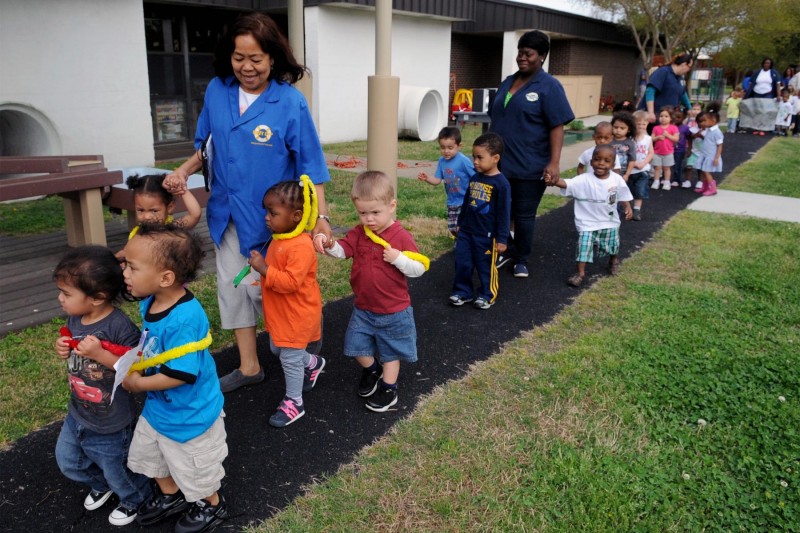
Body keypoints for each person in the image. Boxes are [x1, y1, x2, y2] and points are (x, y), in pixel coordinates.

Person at [163, 12, 333, 394]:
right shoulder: (217, 91)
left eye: (256, 58)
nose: (247, 67)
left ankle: (303, 345)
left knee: (273, 289)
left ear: (273, 58)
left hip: (277, 221)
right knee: (234, 288)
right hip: (226, 211)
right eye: (239, 58)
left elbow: (311, 163)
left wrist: (320, 216)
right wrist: (182, 170)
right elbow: (205, 145)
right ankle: (249, 365)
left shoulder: (289, 102)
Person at [121, 225, 228, 532]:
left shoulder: (183, 319)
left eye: (132, 267)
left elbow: (181, 374)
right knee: (149, 455)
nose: (125, 272)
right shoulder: (151, 300)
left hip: (189, 414)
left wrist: (139, 383)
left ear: (165, 277)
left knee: (195, 467)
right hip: (161, 408)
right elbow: (150, 344)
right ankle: (172, 496)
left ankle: (212, 504)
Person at [53, 246, 150, 527]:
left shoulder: (119, 326)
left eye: (67, 293)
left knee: (118, 470)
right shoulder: (76, 317)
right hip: (79, 412)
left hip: (112, 421)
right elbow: (72, 343)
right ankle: (103, 484)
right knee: (68, 462)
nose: (60, 298)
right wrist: (63, 346)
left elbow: (136, 368)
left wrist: (100, 355)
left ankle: (135, 498)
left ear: (98, 298)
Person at [322, 171, 427, 412]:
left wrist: (399, 258)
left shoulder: (400, 236)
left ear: (392, 206)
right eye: (362, 213)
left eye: (375, 213)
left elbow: (419, 268)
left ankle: (389, 390)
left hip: (393, 311)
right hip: (364, 308)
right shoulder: (360, 233)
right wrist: (330, 246)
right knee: (355, 346)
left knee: (391, 353)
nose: (368, 219)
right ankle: (372, 369)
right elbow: (344, 250)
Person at [489, 29, 575, 279]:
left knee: (524, 214)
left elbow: (557, 125)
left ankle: (521, 258)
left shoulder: (549, 86)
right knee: (500, 210)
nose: (522, 58)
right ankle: (505, 249)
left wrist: (554, 162)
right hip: (498, 163)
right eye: (520, 53)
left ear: (542, 57)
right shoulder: (508, 81)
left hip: (530, 163)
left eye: (528, 53)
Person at [247, 177, 326, 428]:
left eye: (273, 213)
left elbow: (291, 282)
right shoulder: (280, 239)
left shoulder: (301, 246)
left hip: (297, 314)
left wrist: (264, 269)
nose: (267, 218)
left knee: (289, 358)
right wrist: (264, 272)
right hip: (282, 313)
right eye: (267, 212)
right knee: (277, 350)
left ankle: (294, 402)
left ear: (296, 216)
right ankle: (313, 363)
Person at [545, 144, 633, 287]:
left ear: (613, 164)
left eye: (606, 160)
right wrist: (554, 181)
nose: (601, 163)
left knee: (612, 245)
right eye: (597, 159)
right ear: (591, 162)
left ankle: (613, 260)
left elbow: (623, 195)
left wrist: (627, 207)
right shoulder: (584, 179)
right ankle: (580, 273)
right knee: (583, 246)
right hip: (587, 223)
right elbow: (567, 184)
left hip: (609, 221)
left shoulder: (616, 179)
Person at [449, 133, 511, 310]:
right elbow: (467, 202)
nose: (475, 161)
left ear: (495, 158)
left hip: (487, 235)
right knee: (462, 262)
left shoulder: (502, 184)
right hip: (467, 231)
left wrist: (502, 239)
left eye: (479, 157)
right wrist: (460, 222)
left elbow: (504, 213)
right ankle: (462, 292)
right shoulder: (475, 178)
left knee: (485, 266)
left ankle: (487, 294)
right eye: (473, 156)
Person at [417, 126, 475, 237]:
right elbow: (437, 180)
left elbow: (475, 177)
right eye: (442, 147)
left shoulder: (464, 161)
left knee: (462, 226)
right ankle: (460, 239)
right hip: (452, 201)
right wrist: (427, 178)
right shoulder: (441, 161)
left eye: (450, 148)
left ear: (459, 146)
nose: (446, 151)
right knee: (452, 227)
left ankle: (462, 243)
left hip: (466, 200)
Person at [124, 174, 201, 241]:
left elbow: (194, 215)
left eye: (154, 211)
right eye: (141, 210)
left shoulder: (171, 228)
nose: (146, 217)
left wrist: (182, 189)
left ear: (170, 207)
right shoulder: (136, 233)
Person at [638, 53, 693, 125]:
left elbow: (682, 93)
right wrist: (650, 112)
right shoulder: (663, 72)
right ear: (684, 64)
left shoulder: (679, 77)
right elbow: (650, 91)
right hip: (654, 117)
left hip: (667, 118)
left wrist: (689, 108)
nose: (688, 70)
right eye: (689, 67)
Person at [694, 105, 723, 196]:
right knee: (703, 171)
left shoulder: (717, 132)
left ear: (713, 120)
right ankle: (705, 186)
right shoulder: (709, 130)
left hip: (711, 156)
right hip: (705, 154)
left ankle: (712, 188)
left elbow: (720, 146)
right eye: (700, 122)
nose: (701, 123)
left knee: (707, 172)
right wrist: (701, 136)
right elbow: (708, 141)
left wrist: (716, 158)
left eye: (703, 121)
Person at [630, 111, 654, 221]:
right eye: (638, 124)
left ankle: (636, 210)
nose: (640, 126)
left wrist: (644, 163)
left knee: (640, 191)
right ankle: (624, 208)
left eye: (643, 124)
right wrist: (633, 163)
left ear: (647, 124)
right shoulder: (630, 139)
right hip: (630, 170)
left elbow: (650, 153)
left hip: (643, 170)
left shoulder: (648, 138)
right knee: (627, 190)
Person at [650, 107, 679, 191]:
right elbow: (651, 139)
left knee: (667, 168)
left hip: (668, 152)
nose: (663, 118)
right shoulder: (656, 128)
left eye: (666, 116)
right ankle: (656, 181)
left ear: (671, 118)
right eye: (661, 116)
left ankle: (666, 182)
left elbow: (676, 139)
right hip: (657, 152)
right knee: (657, 168)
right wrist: (657, 137)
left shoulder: (673, 128)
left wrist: (668, 135)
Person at [610, 112, 636, 183]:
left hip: (622, 174)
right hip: (607, 172)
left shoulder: (630, 143)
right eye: (615, 127)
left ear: (629, 129)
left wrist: (627, 174)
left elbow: (632, 160)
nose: (618, 130)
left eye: (622, 128)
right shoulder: (608, 141)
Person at [671, 109, 692, 189]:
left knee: (677, 165)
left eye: (679, 117)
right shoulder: (670, 127)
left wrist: (689, 148)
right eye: (674, 117)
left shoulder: (685, 128)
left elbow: (690, 138)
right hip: (669, 149)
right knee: (668, 165)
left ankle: (676, 180)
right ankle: (666, 178)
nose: (676, 119)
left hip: (680, 150)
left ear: (683, 118)